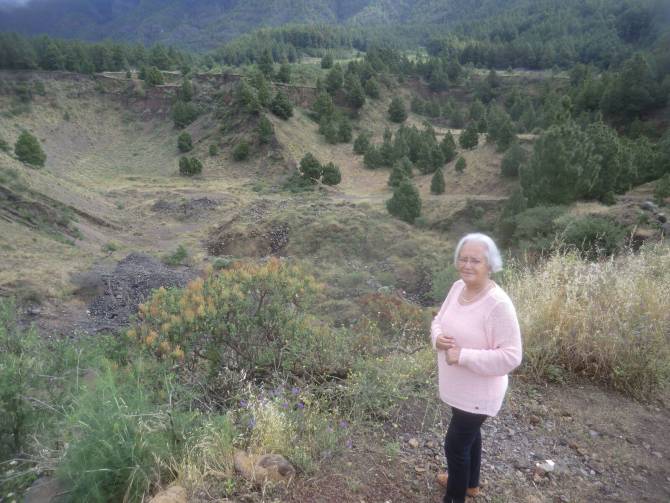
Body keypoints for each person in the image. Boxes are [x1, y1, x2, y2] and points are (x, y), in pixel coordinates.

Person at [431, 233, 522, 503]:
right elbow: (438, 320)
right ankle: (470, 484)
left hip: (479, 393)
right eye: (463, 259)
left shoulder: (498, 304)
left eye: (475, 260)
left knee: (455, 445)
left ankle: (454, 497)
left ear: (490, 265)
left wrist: (463, 356)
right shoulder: (458, 287)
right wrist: (437, 338)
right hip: (460, 389)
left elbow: (511, 357)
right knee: (469, 435)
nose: (467, 265)